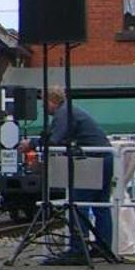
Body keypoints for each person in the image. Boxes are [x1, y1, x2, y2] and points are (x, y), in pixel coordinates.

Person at [44, 85, 114, 260]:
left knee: (78, 204)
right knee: (101, 205)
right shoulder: (73, 111)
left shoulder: (63, 114)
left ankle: (78, 249)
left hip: (92, 160)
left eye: (44, 103)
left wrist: (32, 143)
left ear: (51, 101)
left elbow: (54, 139)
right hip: (106, 157)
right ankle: (103, 246)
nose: (43, 107)